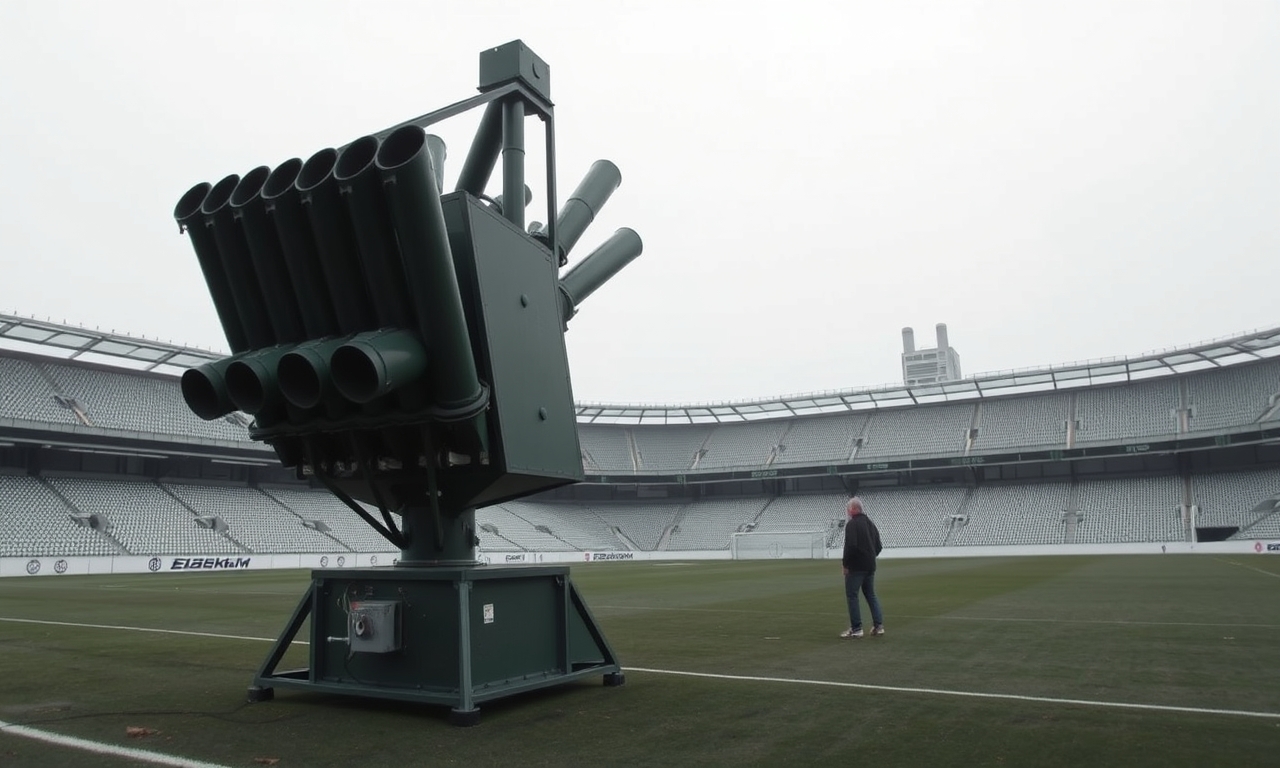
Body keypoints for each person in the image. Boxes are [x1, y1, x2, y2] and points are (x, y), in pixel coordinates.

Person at [840, 496, 884, 639]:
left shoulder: (852, 525)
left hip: (856, 567)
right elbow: (879, 546)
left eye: (848, 509)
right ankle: (878, 626)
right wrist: (870, 556)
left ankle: (856, 628)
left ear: (853, 509)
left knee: (852, 596)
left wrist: (846, 564)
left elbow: (850, 546)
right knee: (870, 595)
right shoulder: (871, 524)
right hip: (870, 566)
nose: (847, 512)